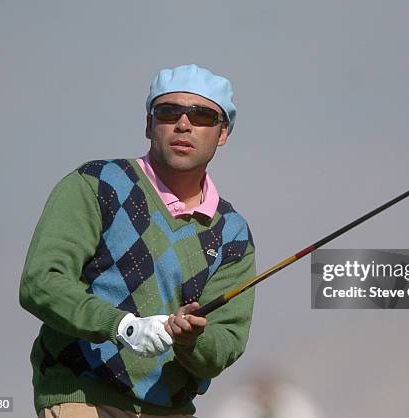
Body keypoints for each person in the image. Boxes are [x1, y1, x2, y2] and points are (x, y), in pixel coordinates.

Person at [19, 64, 256, 418]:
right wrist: (121, 325)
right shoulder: (96, 185)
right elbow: (41, 283)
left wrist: (192, 340)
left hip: (170, 410)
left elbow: (225, 344)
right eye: (168, 111)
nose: (184, 124)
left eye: (202, 115)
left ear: (223, 134)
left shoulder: (233, 233)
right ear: (148, 124)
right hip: (82, 398)